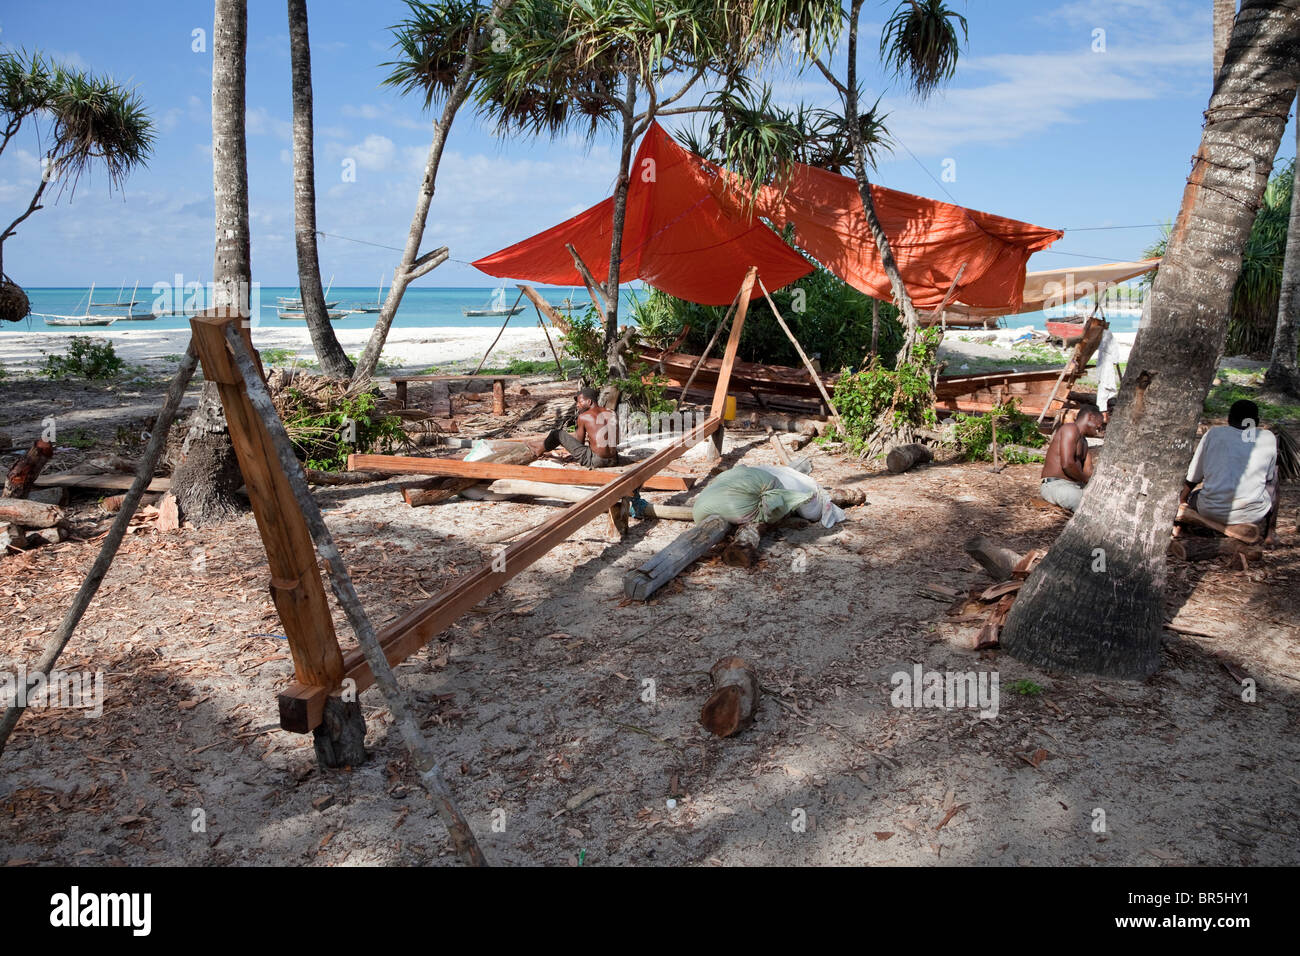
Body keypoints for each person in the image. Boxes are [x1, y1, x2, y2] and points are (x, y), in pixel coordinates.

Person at [1181, 398, 1278, 540]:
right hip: (1252, 513)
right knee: (1275, 475)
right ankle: (1270, 533)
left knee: (1195, 496)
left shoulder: (1213, 434)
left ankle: (1182, 527)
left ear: (1229, 419)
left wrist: (1182, 500)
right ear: (1256, 422)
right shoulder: (1268, 437)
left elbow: (1193, 476)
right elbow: (1269, 479)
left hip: (1210, 510)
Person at [524, 387, 618, 468]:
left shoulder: (584, 416)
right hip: (614, 459)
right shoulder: (612, 413)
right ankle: (540, 445)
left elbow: (579, 443)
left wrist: (565, 440)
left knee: (557, 434)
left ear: (589, 402)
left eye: (580, 402)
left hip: (597, 461)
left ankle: (538, 449)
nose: (577, 405)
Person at [1039, 404, 1105, 511]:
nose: (1100, 428)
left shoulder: (1084, 441)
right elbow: (1067, 464)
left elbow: (1088, 470)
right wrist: (1084, 480)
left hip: (1074, 485)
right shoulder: (1070, 429)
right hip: (1055, 485)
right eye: (1100, 423)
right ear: (1091, 417)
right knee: (1088, 505)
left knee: (1101, 500)